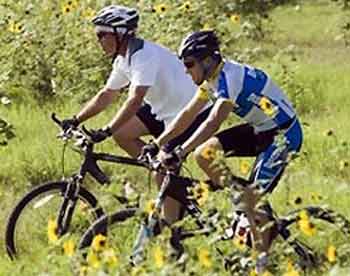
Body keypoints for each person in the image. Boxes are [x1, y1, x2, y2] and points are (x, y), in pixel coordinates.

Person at [148, 30, 303, 263]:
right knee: (205, 153)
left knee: (253, 197)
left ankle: (260, 261)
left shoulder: (230, 79)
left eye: (189, 64)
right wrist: (158, 144)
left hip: (284, 134)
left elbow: (213, 122)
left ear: (208, 61)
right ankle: (240, 200)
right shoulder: (211, 79)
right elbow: (188, 114)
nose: (185, 70)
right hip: (261, 128)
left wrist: (180, 152)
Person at [61, 5, 212, 223]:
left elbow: (135, 100)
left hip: (189, 113)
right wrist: (76, 119)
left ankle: (170, 234)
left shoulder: (144, 56)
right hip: (163, 110)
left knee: (161, 175)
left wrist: (106, 129)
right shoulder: (124, 58)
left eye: (101, 34)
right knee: (123, 134)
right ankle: (167, 173)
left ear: (120, 33)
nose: (98, 40)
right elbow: (107, 95)